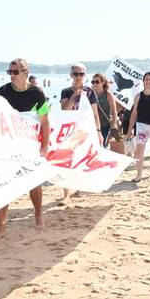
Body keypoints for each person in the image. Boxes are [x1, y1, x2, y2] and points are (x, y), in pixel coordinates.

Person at [0, 58, 50, 241]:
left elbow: (45, 122)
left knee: (34, 182)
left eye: (16, 72)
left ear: (25, 73)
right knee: (3, 184)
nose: (12, 75)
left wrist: (44, 146)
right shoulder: (3, 92)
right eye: (10, 72)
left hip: (29, 144)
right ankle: (1, 226)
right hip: (7, 144)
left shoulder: (37, 93)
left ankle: (38, 215)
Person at [60, 62, 103, 201]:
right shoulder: (66, 91)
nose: (79, 77)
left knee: (81, 159)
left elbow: (95, 113)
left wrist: (98, 131)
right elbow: (65, 111)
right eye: (76, 74)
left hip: (85, 131)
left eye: (81, 74)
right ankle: (66, 194)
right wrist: (74, 96)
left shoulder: (90, 92)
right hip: (69, 131)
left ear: (85, 75)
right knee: (66, 161)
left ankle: (77, 188)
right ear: (71, 75)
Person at [91, 73, 119, 148]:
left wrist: (114, 123)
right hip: (93, 124)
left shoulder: (107, 94)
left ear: (103, 82)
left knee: (102, 144)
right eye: (93, 82)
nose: (94, 84)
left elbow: (113, 110)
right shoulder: (90, 93)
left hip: (105, 124)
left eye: (97, 82)